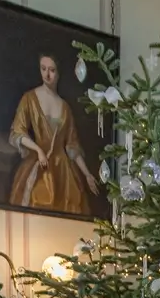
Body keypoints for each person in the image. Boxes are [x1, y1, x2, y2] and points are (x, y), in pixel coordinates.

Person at [9, 52, 99, 215]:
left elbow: (72, 145)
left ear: (58, 73)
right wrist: (38, 150)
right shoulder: (29, 98)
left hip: (63, 172)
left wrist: (87, 174)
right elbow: (18, 131)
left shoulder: (65, 107)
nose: (47, 75)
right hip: (39, 164)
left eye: (52, 70)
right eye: (43, 69)